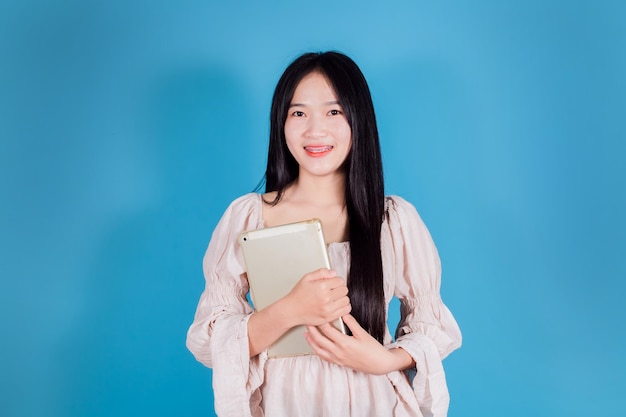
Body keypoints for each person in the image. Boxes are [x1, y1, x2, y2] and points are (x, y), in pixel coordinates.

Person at [186, 51, 462, 417]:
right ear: (280, 123)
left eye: (334, 112)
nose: (315, 130)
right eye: (298, 113)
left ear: (357, 119)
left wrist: (384, 359)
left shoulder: (393, 219)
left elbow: (433, 327)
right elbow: (210, 338)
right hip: (284, 404)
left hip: (374, 402)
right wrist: (290, 309)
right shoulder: (249, 217)